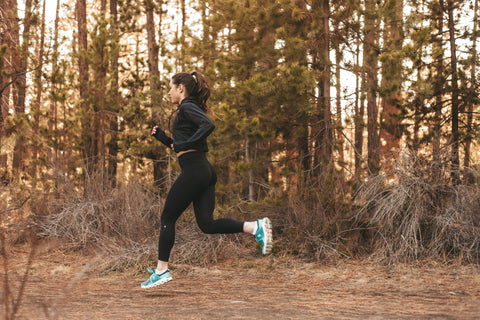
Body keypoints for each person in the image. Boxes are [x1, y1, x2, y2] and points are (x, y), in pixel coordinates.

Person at [141, 71, 273, 289]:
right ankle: (254, 227)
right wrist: (165, 139)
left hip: (195, 170)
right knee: (207, 224)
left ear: (181, 88)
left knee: (168, 217)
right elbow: (182, 145)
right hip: (203, 170)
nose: (169, 91)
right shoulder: (187, 109)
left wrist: (183, 145)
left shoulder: (187, 107)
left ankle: (161, 270)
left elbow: (207, 126)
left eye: (171, 87)